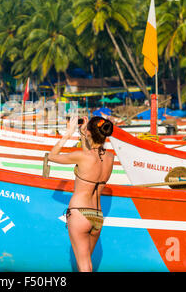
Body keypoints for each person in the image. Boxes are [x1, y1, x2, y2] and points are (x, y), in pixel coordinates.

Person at [48, 116, 114, 272]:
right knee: (86, 265)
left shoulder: (82, 156)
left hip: (79, 213)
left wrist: (68, 134)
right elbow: (92, 154)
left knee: (84, 267)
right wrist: (84, 133)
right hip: (97, 216)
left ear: (90, 133)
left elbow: (52, 156)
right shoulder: (110, 158)